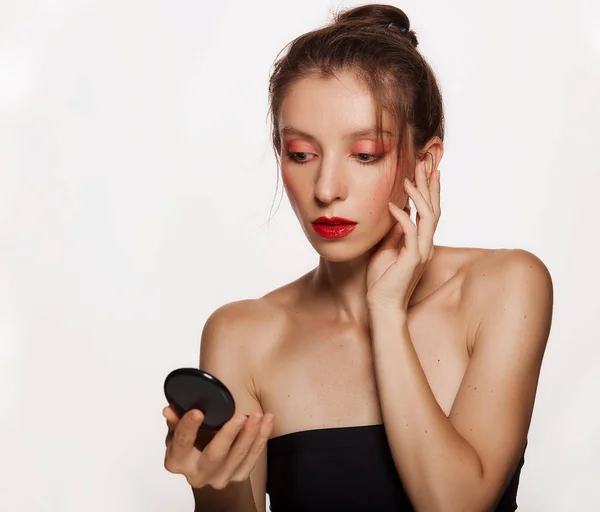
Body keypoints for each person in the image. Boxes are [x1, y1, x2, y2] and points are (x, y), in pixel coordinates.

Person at [162, 4, 553, 511]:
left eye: (365, 154)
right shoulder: (242, 335)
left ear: (425, 160)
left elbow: (455, 506)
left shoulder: (505, 287)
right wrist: (212, 485)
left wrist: (386, 312)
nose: (326, 189)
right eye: (301, 154)